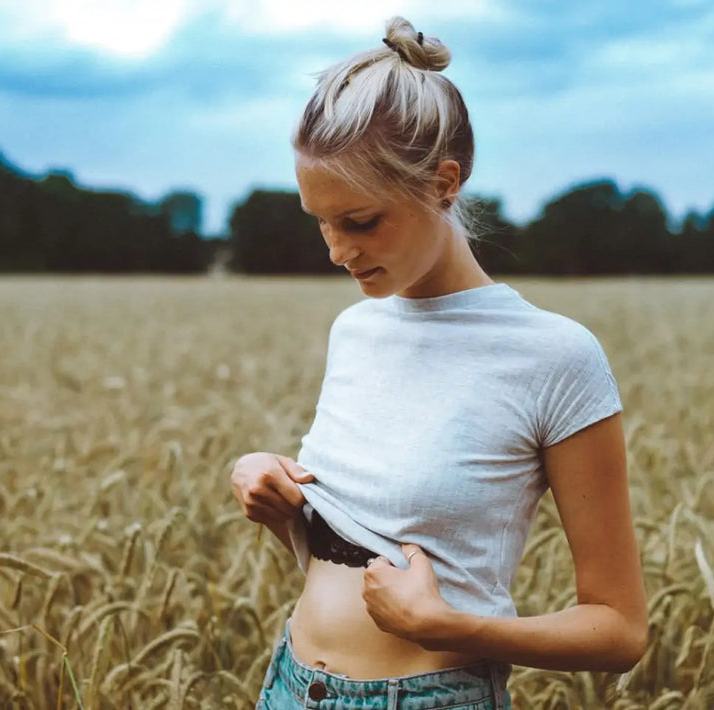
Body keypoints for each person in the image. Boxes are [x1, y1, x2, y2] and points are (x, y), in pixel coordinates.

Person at [228, 16, 648, 710]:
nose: (336, 251)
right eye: (319, 221)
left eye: (360, 222)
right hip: (289, 686)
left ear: (444, 184)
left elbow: (619, 630)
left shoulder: (556, 356)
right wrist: (269, 487)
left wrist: (449, 626)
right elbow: (351, 549)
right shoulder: (355, 331)